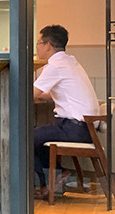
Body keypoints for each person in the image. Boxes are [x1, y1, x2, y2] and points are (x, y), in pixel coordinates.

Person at [33, 24, 99, 199]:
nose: (37, 47)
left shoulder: (56, 65)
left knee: (26, 138)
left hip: (74, 129)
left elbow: (31, 93)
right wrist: (42, 97)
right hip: (85, 129)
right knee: (38, 135)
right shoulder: (70, 62)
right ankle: (57, 175)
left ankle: (48, 183)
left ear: (48, 45)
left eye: (38, 43)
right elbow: (60, 93)